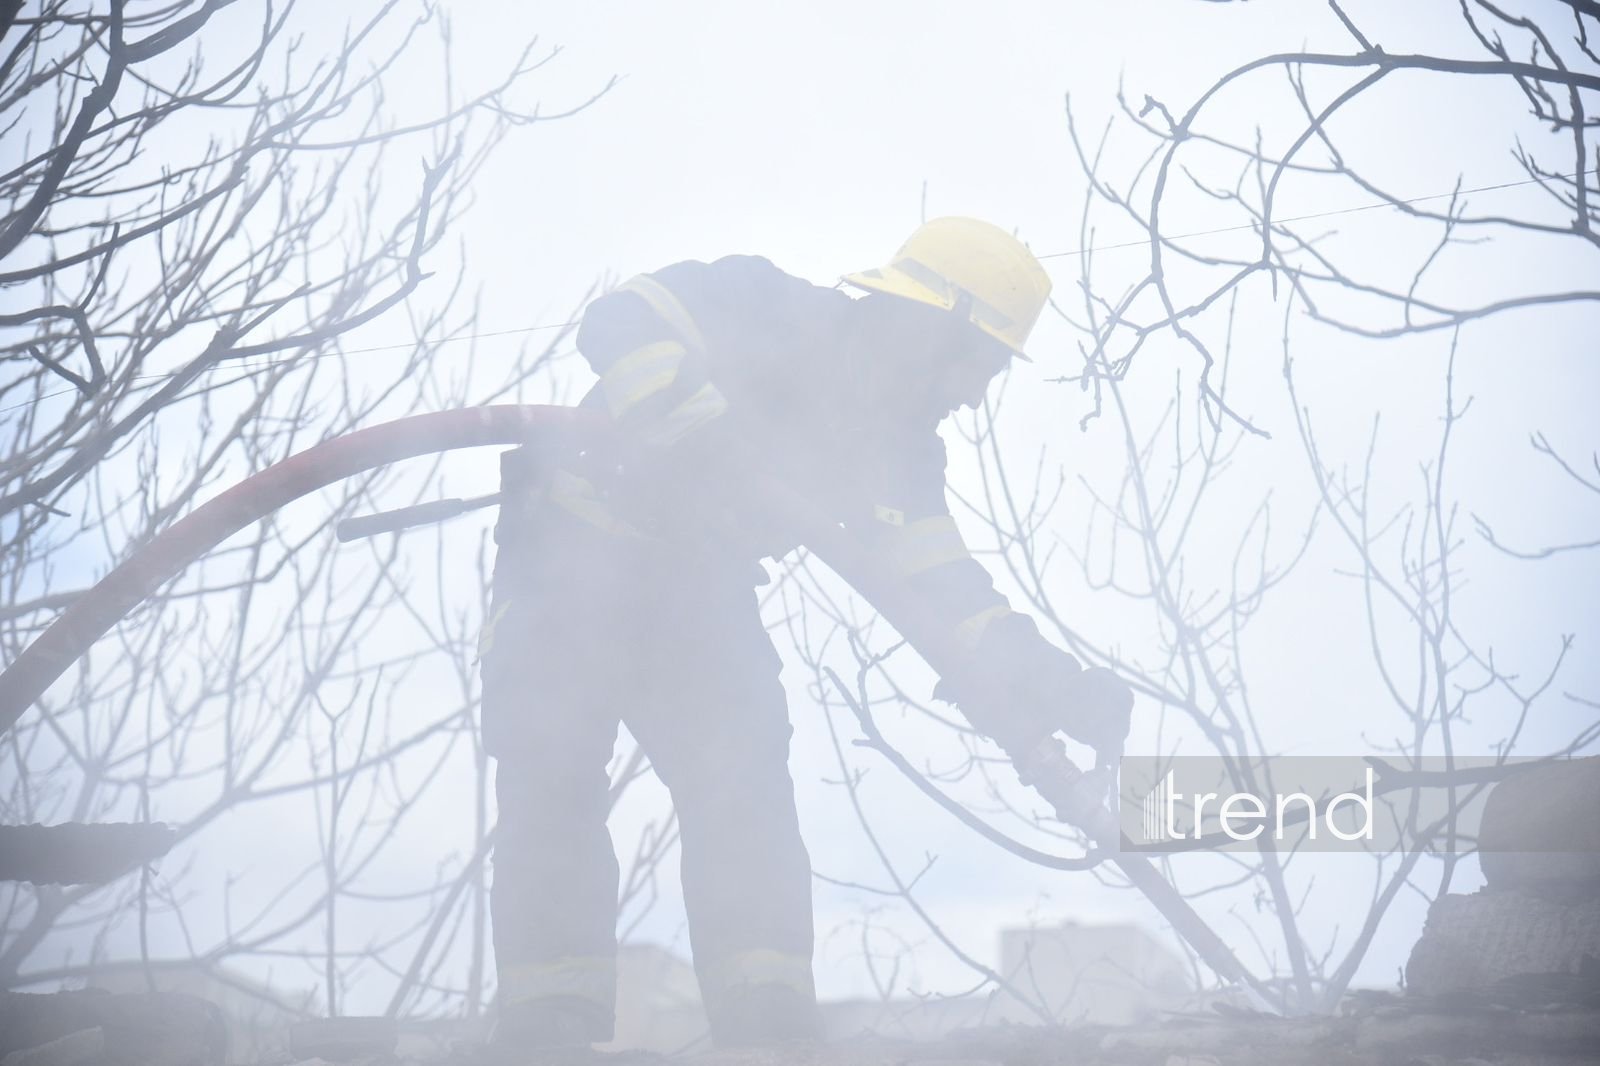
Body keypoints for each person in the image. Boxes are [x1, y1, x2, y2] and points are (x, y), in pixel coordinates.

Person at [478, 217, 1133, 1052]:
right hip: (568, 561)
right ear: (927, 325)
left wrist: (1053, 685)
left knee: (745, 778)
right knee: (552, 770)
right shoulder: (764, 302)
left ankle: (769, 1026)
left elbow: (944, 594)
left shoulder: (897, 455)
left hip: (697, 591)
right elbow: (622, 318)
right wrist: (693, 426)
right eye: (978, 364)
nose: (973, 394)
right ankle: (548, 1028)